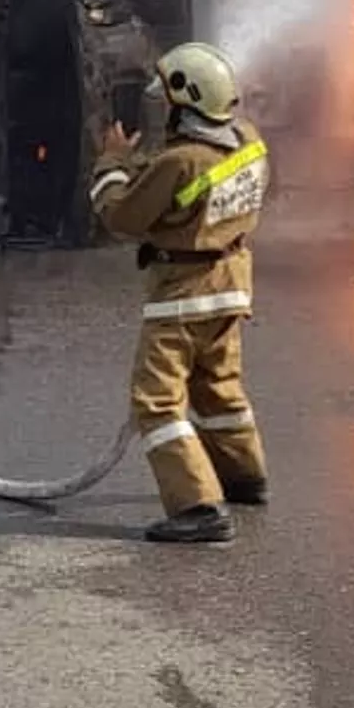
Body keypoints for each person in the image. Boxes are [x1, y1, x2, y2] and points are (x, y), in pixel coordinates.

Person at [89, 41, 271, 545]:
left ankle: (197, 506)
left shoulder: (180, 162)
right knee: (219, 387)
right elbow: (191, 184)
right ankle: (244, 477)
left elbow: (123, 217)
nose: (161, 108)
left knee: (157, 400)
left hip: (184, 295)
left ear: (186, 103)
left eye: (167, 100)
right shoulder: (249, 141)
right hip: (231, 286)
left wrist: (111, 164)